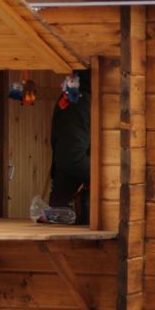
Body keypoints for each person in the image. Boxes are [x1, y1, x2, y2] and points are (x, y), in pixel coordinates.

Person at [50, 70, 92, 224]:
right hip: (74, 207)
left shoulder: (80, 98)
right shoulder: (78, 103)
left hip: (76, 205)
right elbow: (71, 159)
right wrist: (110, 178)